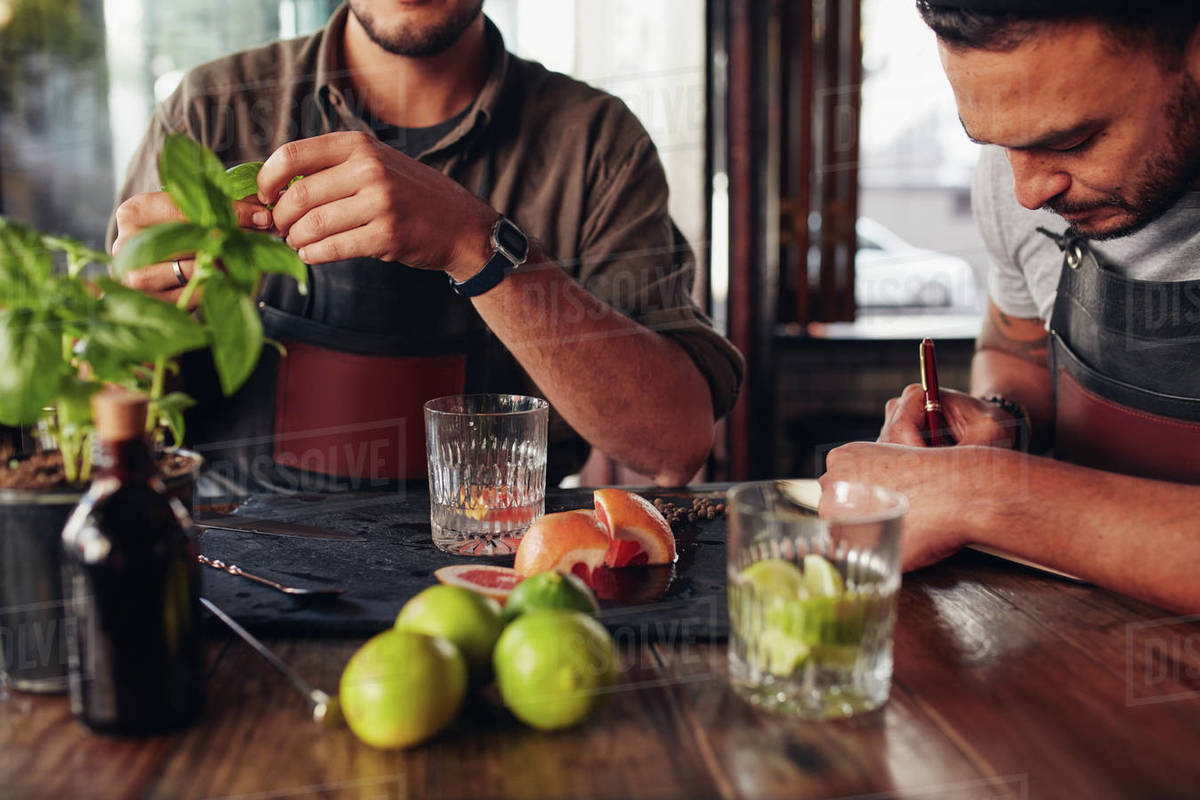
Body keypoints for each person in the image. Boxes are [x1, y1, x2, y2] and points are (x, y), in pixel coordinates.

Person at [108, 1, 743, 491]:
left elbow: (673, 442)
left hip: (501, 570)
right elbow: (94, 395)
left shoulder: (596, 142)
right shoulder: (210, 113)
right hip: (236, 578)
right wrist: (133, 324)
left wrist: (476, 243)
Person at [822, 0, 1200, 611]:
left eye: (1073, 141)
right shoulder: (1020, 174)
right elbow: (1016, 344)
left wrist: (981, 493)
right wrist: (1001, 421)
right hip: (1075, 651)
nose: (1026, 193)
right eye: (998, 145)